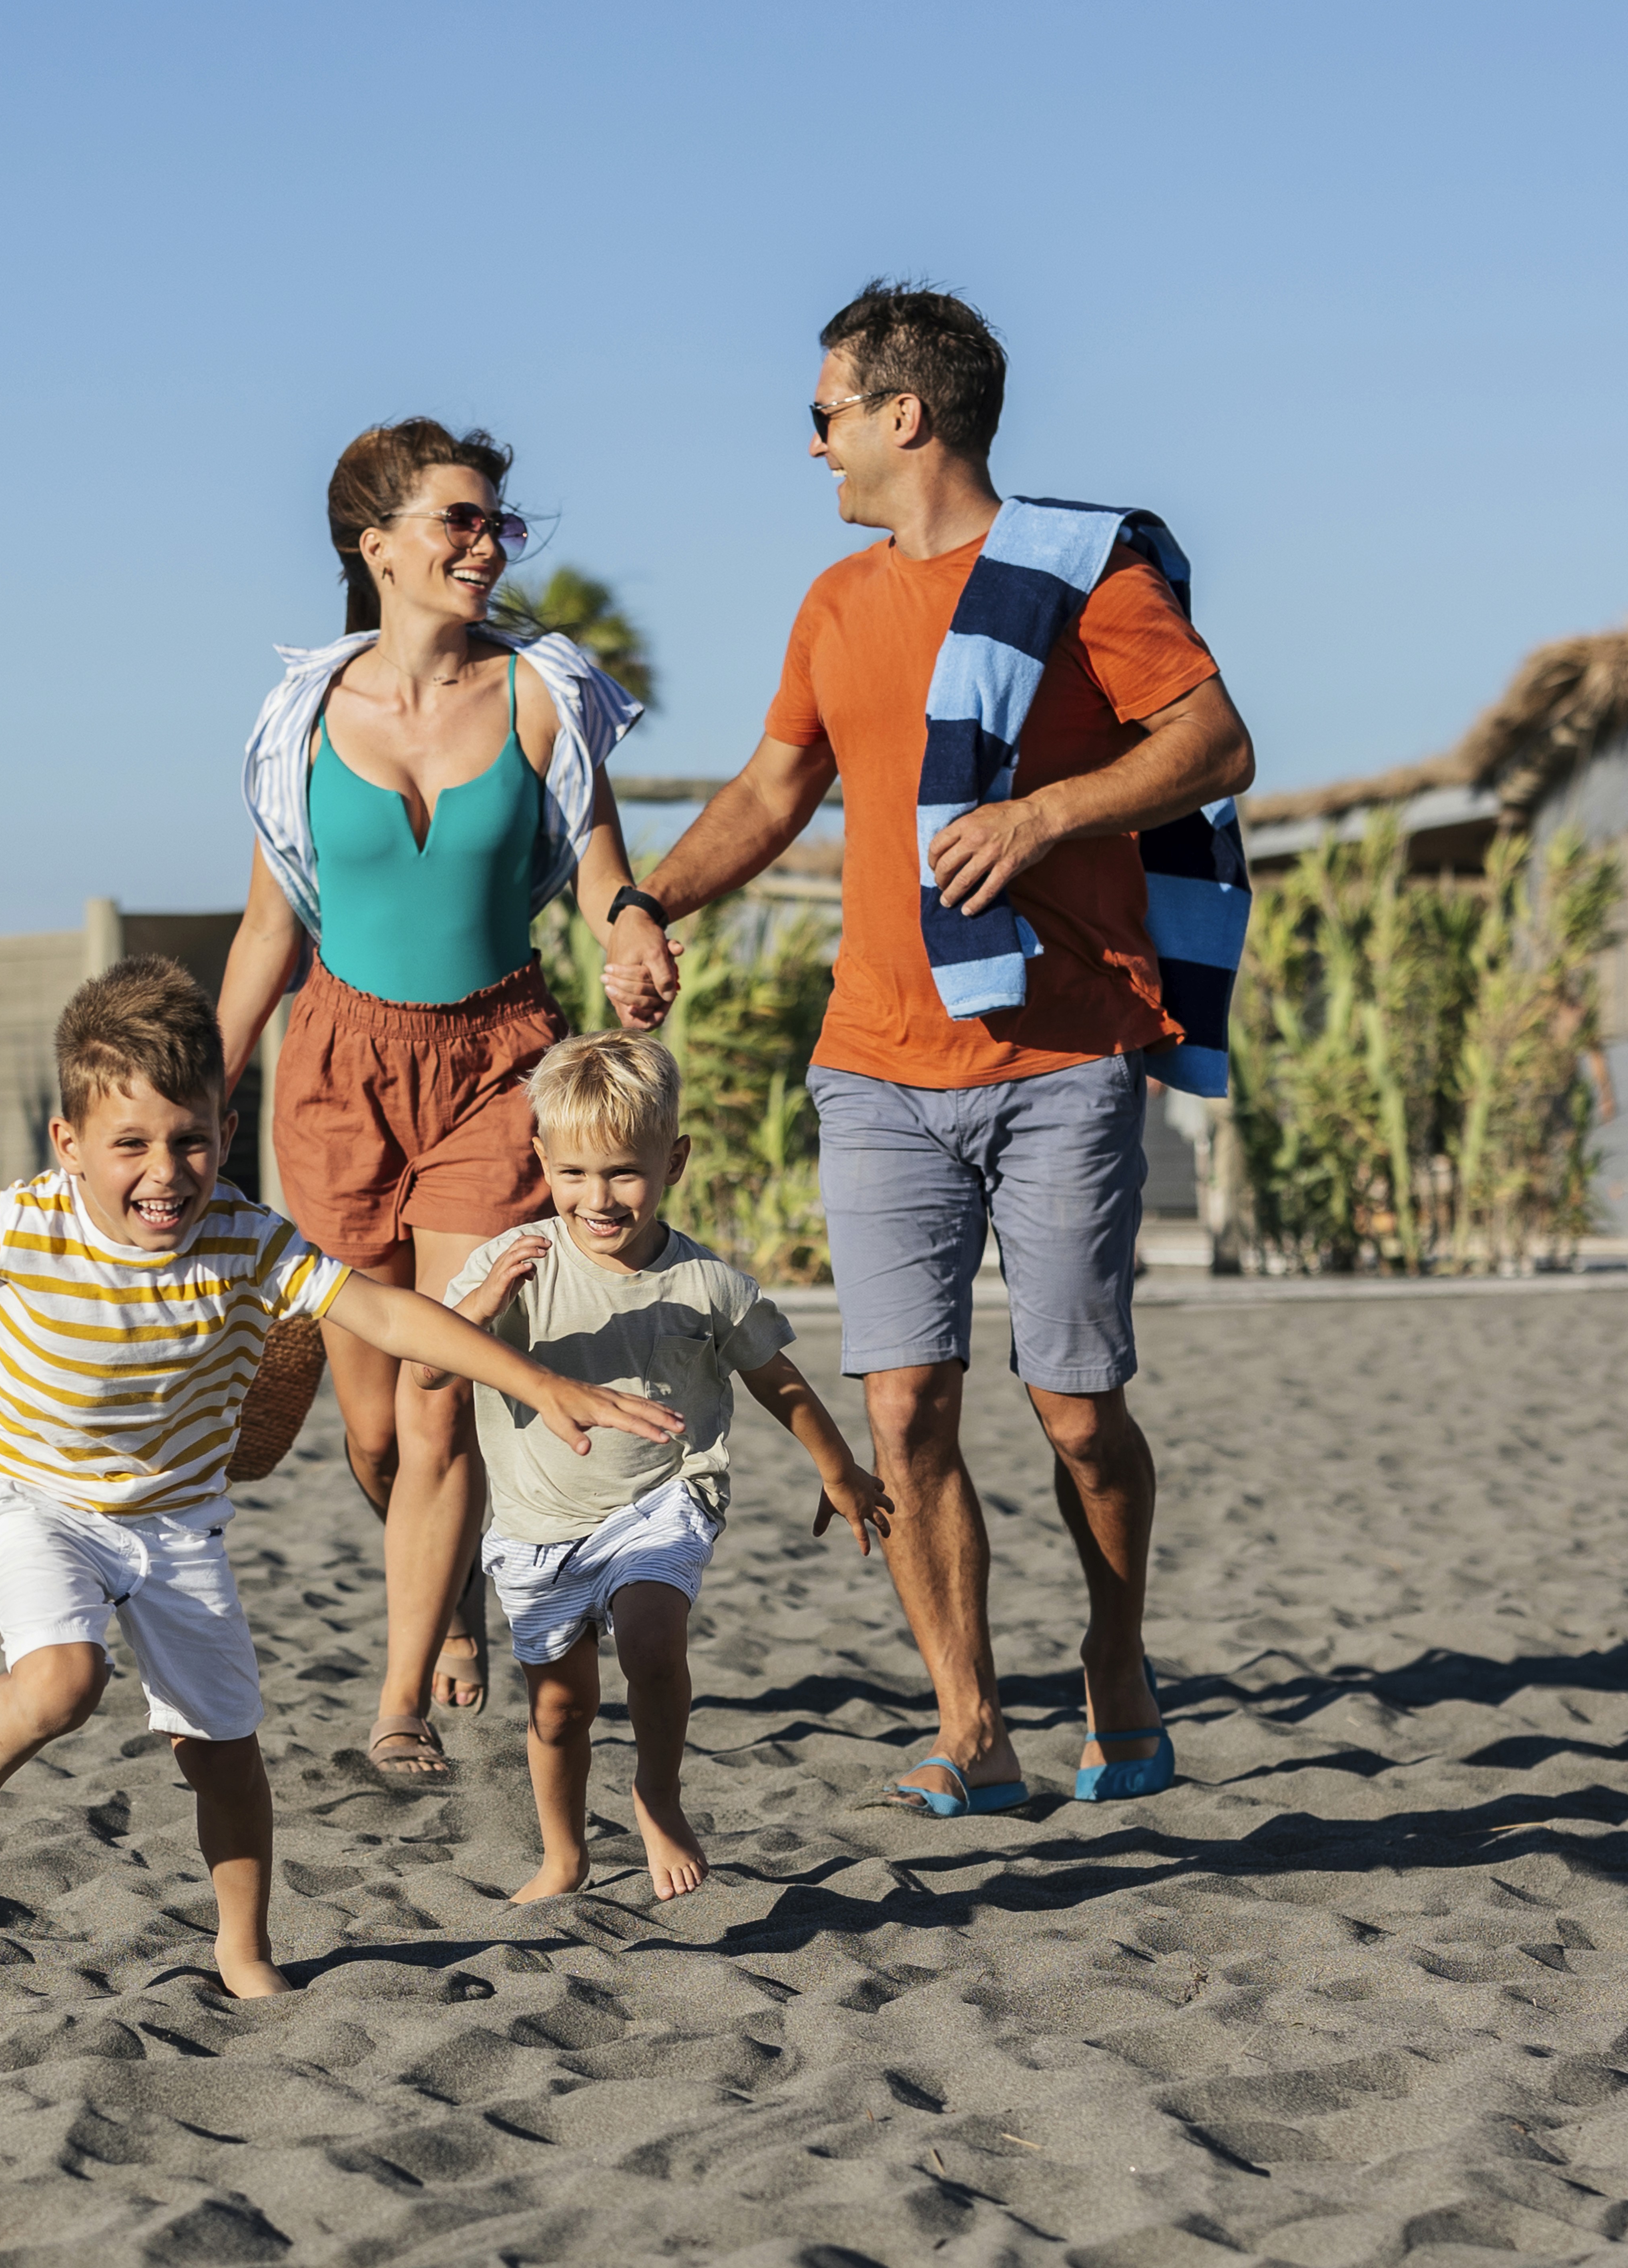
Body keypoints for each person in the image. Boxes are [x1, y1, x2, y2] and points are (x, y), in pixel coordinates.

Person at [0, 959, 680, 1995]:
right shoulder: (28, 1220)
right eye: (131, 1145)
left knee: (227, 1757)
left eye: (192, 1141)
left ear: (225, 1131)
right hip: (31, 1493)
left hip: (175, 1524)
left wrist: (541, 1386)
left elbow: (388, 1314)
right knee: (64, 1681)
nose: (166, 1174)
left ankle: (245, 1953)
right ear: (68, 1141)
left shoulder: (253, 1241)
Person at [602, 281, 1256, 1816]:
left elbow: (1214, 744)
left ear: (908, 416)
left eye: (824, 411)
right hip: (878, 1060)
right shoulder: (834, 603)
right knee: (905, 1405)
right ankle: (971, 1717)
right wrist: (648, 899)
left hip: (1058, 1050)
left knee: (1079, 1409)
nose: (812, 442)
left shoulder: (1079, 576)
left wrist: (1041, 813)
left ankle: (1114, 1654)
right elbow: (774, 793)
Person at [214, 417, 657, 1778]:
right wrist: (200, 1080)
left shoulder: (541, 692)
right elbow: (269, 932)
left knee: (435, 1393)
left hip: (496, 1060)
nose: (484, 543)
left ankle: (400, 1698)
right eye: (456, 521)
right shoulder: (301, 717)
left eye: (493, 523)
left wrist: (631, 925)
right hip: (338, 1068)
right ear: (378, 546)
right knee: (365, 1426)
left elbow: (597, 865)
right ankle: (452, 1594)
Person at [423, 1032, 894, 1901]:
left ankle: (658, 1792)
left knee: (651, 1638)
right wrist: (484, 1304)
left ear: (671, 1159)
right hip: (536, 1523)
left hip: (663, 1496)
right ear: (542, 1160)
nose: (597, 1199)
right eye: (573, 1174)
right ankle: (564, 1854)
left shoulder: (706, 1283)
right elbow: (427, 1368)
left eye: (622, 1174)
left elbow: (777, 1379)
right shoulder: (507, 1266)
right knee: (559, 1707)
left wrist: (838, 1468)